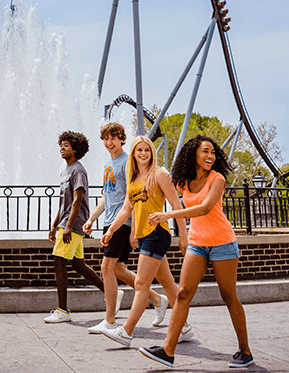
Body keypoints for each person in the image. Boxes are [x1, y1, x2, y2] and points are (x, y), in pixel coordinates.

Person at [139, 135, 254, 369]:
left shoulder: (217, 179)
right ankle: (168, 351)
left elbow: (204, 208)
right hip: (197, 243)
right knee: (182, 293)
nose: (210, 156)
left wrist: (168, 215)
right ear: (194, 154)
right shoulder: (183, 181)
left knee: (228, 296)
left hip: (222, 242)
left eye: (212, 152)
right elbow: (169, 195)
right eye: (205, 152)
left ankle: (245, 351)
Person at [99, 135, 189, 348]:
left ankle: (126, 331)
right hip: (144, 235)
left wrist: (183, 236)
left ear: (152, 153)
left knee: (141, 283)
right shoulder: (134, 179)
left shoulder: (160, 174)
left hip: (158, 232)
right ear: (133, 153)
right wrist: (111, 230)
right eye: (139, 150)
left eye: (147, 150)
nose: (143, 153)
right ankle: (184, 326)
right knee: (167, 282)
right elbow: (126, 210)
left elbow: (177, 206)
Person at [83, 124, 170, 334]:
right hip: (111, 222)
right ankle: (158, 300)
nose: (109, 143)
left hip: (124, 223)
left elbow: (133, 197)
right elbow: (107, 196)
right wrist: (92, 218)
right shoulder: (108, 165)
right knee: (118, 270)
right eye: (105, 139)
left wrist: (132, 229)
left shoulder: (126, 163)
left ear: (122, 139)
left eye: (113, 138)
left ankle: (110, 320)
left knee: (106, 267)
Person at [44, 131, 106, 323]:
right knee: (78, 264)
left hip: (73, 223)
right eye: (61, 145)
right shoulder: (65, 171)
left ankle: (63, 310)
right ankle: (112, 292)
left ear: (75, 149)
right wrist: (54, 225)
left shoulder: (78, 170)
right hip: (65, 223)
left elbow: (78, 199)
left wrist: (69, 226)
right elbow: (64, 202)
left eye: (66, 145)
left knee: (59, 261)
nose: (62, 148)